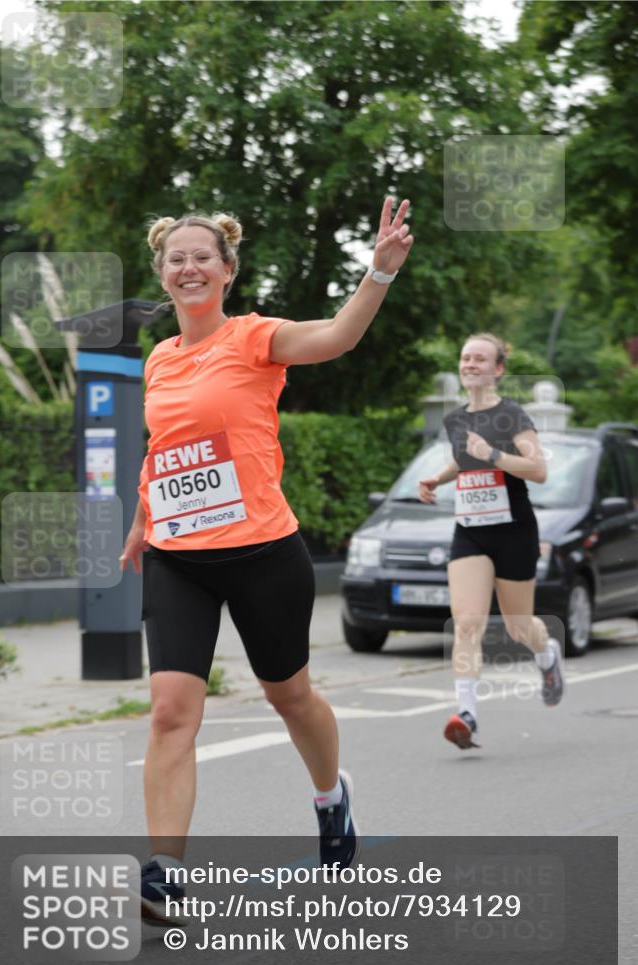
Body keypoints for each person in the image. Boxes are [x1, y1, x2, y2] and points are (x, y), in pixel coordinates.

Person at [120, 196, 414, 924]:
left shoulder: (255, 338)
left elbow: (338, 337)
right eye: (175, 259)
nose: (188, 267)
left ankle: (328, 797)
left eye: (201, 257)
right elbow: (162, 453)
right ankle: (164, 871)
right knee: (168, 714)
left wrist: (375, 274)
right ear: (163, 274)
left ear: (225, 270)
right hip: (177, 556)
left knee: (290, 698)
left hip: (260, 552)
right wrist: (139, 524)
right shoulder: (159, 358)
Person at [418, 333, 564, 750]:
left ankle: (547, 654)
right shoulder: (456, 419)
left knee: (520, 628)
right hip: (470, 530)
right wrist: (439, 478)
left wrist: (495, 455)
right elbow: (465, 457)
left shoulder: (513, 415)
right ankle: (468, 715)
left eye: (480, 359)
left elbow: (538, 470)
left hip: (514, 530)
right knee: (467, 623)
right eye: (465, 358)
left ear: (498, 369)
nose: (470, 364)